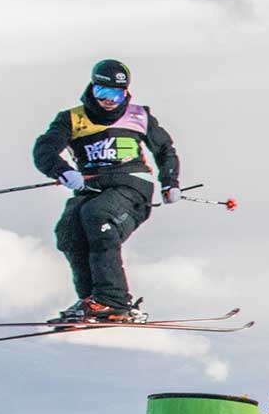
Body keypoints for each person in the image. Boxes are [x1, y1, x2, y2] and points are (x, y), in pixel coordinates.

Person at [31, 59, 182, 324]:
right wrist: (63, 171)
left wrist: (170, 182)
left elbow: (164, 150)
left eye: (116, 94)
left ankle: (114, 299)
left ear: (126, 93)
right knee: (68, 230)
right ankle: (94, 302)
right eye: (103, 93)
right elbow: (44, 149)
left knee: (98, 216)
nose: (109, 101)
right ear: (93, 88)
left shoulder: (139, 116)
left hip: (131, 186)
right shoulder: (72, 119)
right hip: (91, 187)